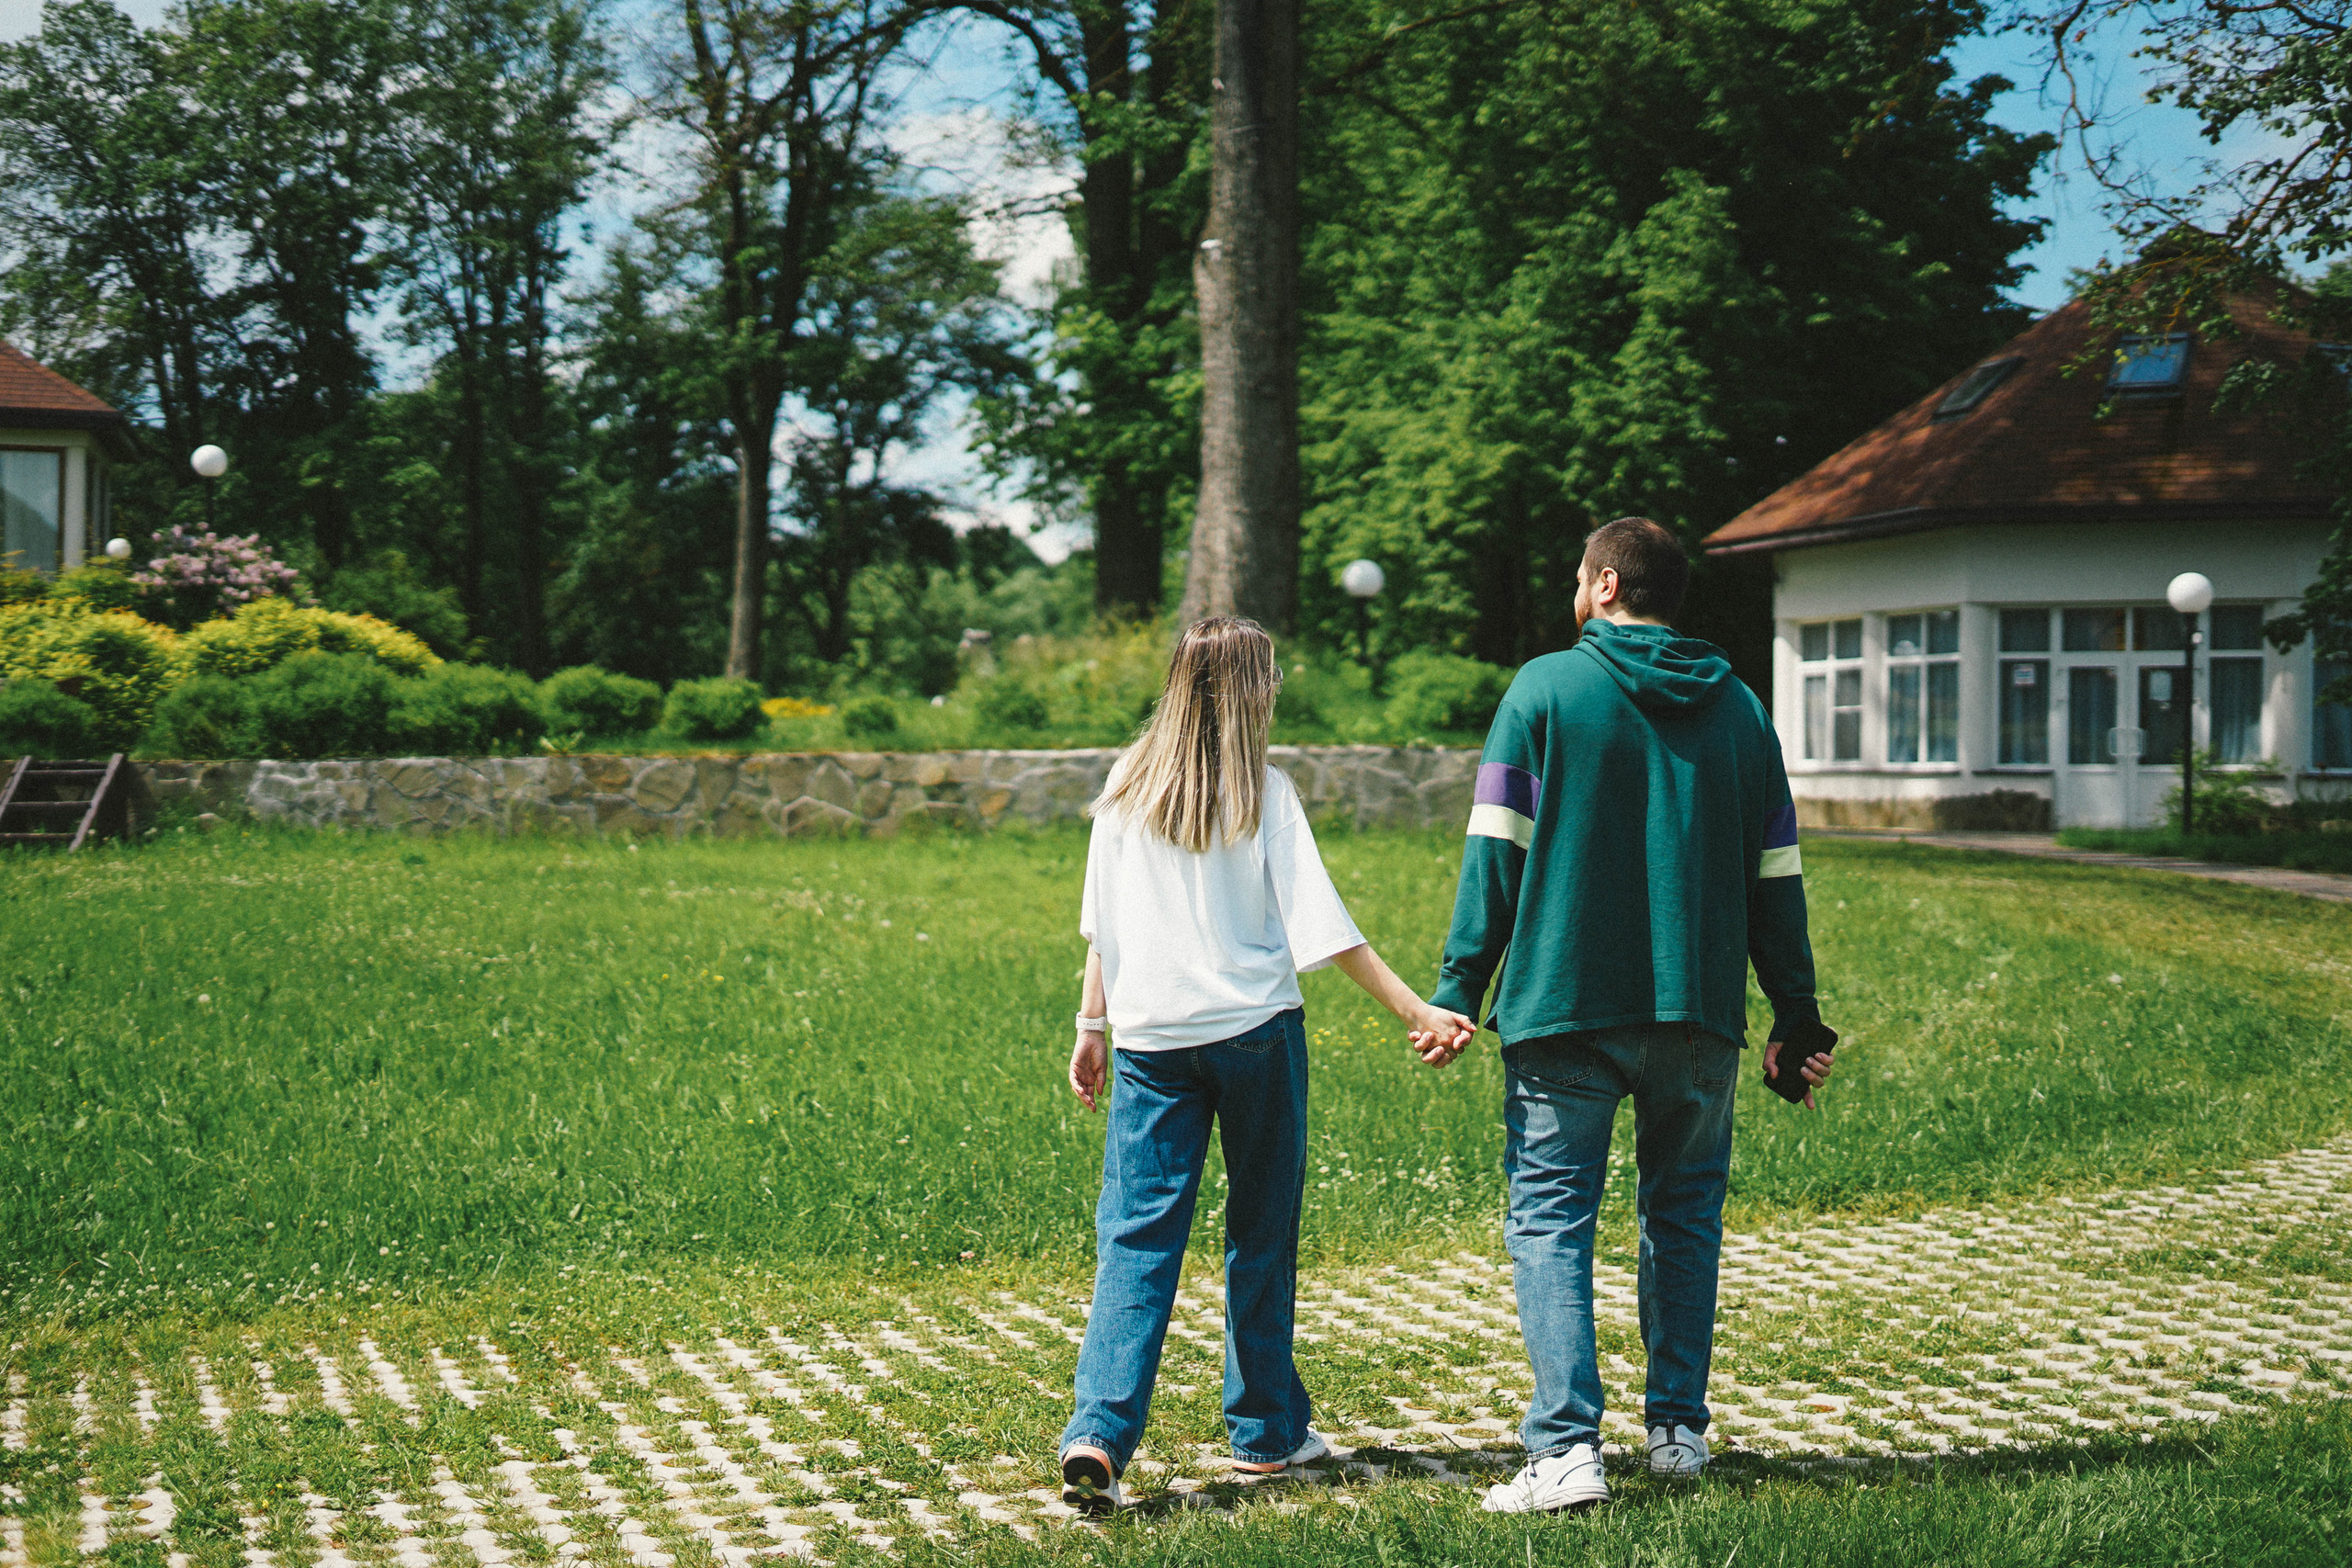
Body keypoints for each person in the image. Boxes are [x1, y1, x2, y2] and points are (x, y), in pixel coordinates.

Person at [1425, 518, 1837, 1515]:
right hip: (1699, 1014)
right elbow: (1776, 875)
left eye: (1578, 577)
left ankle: (1565, 1452)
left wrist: (1457, 989)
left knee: (1553, 1222)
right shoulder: (1740, 709)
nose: (1574, 591)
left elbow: (1497, 848)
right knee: (1684, 1217)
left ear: (1606, 585)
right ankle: (1677, 1435)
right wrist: (1797, 1015)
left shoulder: (1544, 689)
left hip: (1565, 1009)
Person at [1057, 615, 1475, 1515]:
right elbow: (1325, 933)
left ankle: (1097, 1433)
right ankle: (1262, 1434)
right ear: (1251, 691)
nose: (1277, 687)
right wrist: (1417, 1011)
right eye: (1271, 676)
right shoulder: (1263, 792)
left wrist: (1091, 1026)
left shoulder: (1124, 787)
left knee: (1135, 1239)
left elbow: (1104, 927)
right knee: (1259, 1233)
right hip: (1254, 1036)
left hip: (1151, 1043)